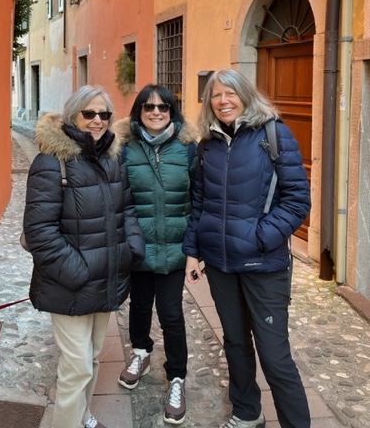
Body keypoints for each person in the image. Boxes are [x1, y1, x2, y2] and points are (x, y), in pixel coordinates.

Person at [183, 68, 311, 428]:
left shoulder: (274, 134)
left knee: (274, 356)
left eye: (230, 93)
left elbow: (298, 200)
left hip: (263, 265)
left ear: (245, 95)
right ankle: (247, 412)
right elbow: (201, 201)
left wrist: (260, 237)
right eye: (216, 95)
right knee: (236, 343)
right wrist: (193, 251)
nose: (223, 101)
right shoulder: (207, 144)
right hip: (220, 264)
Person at [23, 85, 145, 428]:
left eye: (104, 114)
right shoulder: (51, 162)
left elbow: (127, 209)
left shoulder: (113, 158)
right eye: (89, 113)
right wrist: (79, 271)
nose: (97, 120)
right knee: (76, 367)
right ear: (72, 116)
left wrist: (132, 249)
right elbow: (40, 232)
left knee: (91, 359)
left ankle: (83, 416)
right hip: (70, 282)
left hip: (106, 277)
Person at [114, 84, 197, 425]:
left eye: (163, 107)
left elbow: (199, 199)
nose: (156, 112)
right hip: (138, 245)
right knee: (138, 306)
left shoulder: (188, 148)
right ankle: (141, 352)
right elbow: (117, 196)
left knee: (171, 313)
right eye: (149, 107)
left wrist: (194, 250)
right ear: (139, 112)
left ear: (172, 112)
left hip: (175, 247)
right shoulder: (124, 148)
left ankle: (176, 377)